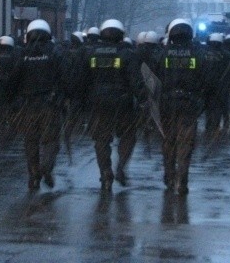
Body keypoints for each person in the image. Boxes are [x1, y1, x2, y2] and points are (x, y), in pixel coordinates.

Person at [83, 18, 147, 191]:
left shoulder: (91, 54)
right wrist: (143, 100)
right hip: (123, 103)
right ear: (121, 35)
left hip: (99, 104)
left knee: (101, 140)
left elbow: (83, 80)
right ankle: (120, 167)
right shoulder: (127, 54)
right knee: (127, 136)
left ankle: (105, 172)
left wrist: (82, 102)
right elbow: (136, 80)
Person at [154, 18, 213, 195]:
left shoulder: (162, 55)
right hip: (189, 104)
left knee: (168, 141)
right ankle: (183, 177)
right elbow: (207, 80)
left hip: (167, 104)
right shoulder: (199, 55)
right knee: (185, 143)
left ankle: (169, 174)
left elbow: (152, 80)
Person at [9, 19, 68, 190]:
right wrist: (62, 96)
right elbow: (64, 77)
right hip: (49, 104)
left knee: (31, 141)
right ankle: (46, 167)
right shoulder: (54, 52)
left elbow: (13, 79)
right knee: (50, 141)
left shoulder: (22, 54)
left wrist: (12, 100)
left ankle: (34, 173)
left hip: (28, 106)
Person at [0, 35, 21, 137]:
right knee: (10, 104)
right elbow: (17, 70)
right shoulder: (14, 55)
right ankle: (11, 123)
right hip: (9, 84)